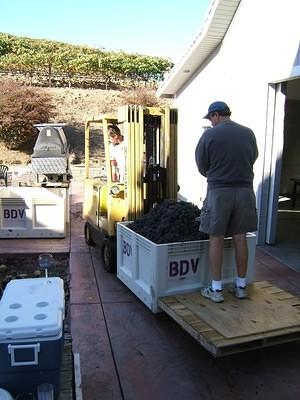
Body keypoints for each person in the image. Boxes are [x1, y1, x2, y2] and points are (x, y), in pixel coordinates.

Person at [195, 101, 258, 303]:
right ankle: (240, 287)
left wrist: (217, 174)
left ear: (215, 115)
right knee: (240, 237)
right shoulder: (248, 133)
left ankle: (216, 290)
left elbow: (201, 164)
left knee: (216, 238)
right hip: (245, 191)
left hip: (219, 191)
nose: (211, 123)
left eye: (210, 119)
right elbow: (253, 157)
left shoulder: (209, 135)